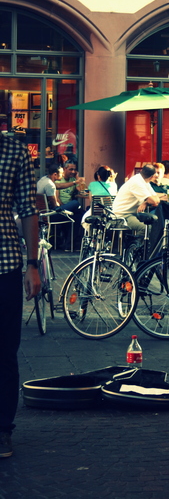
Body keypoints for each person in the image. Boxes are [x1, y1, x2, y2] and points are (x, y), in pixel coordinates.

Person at [0, 133, 41, 458]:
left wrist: (32, 264)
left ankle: (2, 429)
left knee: (4, 352)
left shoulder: (14, 149)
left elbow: (28, 207)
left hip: (6, 262)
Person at [112, 164, 160, 236]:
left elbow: (156, 200)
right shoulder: (137, 182)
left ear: (141, 171)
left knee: (156, 224)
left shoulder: (144, 181)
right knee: (146, 228)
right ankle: (134, 246)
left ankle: (142, 245)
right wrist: (148, 201)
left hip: (133, 214)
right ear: (152, 177)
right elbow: (154, 201)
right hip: (122, 216)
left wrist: (145, 203)